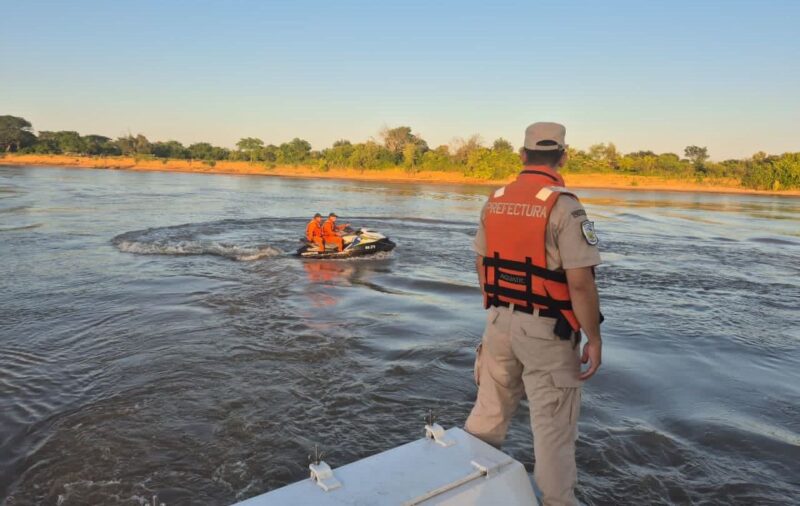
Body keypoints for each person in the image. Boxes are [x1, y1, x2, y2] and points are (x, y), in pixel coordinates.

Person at [464, 122, 603, 506]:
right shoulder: (566, 206)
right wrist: (594, 337)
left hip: (498, 322)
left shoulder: (495, 199)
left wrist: (497, 307)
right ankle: (557, 501)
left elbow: (480, 262)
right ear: (563, 156)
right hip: (548, 332)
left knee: (487, 416)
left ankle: (465, 485)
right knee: (553, 431)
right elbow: (580, 284)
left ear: (523, 155)